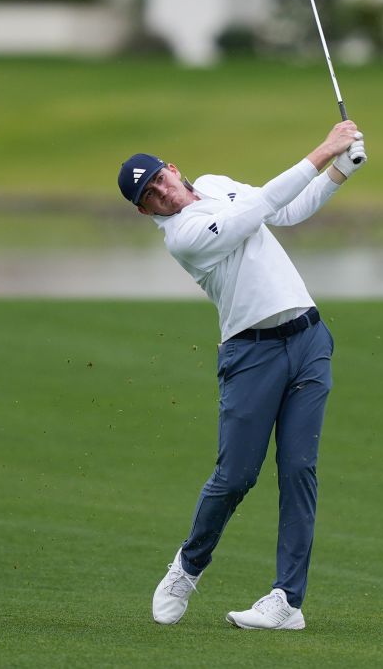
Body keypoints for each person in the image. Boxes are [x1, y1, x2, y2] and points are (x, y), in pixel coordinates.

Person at [117, 121, 367, 630]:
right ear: (146, 210)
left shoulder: (214, 183)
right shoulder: (182, 238)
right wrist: (325, 148)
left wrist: (340, 170)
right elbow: (253, 212)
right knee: (236, 477)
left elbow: (287, 209)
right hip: (251, 354)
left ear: (172, 167)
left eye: (160, 177)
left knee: (300, 471)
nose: (163, 190)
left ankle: (286, 602)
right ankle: (188, 567)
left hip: (309, 339)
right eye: (151, 195)